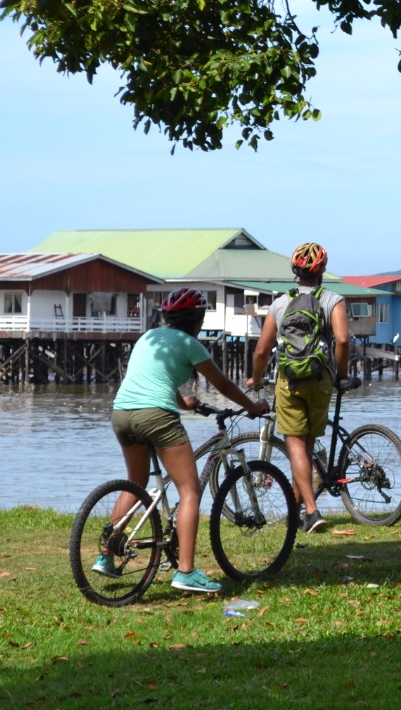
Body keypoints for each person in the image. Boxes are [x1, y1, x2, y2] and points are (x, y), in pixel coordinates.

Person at [102, 287, 269, 593]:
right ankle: (186, 572)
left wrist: (182, 403)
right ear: (198, 319)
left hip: (122, 412)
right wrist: (253, 406)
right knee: (190, 490)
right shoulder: (191, 344)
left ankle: (107, 556)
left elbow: (151, 379)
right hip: (155, 416)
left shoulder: (148, 337)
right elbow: (223, 384)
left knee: (135, 483)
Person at [247, 242, 350, 535]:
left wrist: (255, 379)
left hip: (288, 381)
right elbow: (342, 341)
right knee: (305, 446)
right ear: (322, 271)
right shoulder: (333, 300)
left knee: (296, 445)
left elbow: (261, 351)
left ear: (295, 271)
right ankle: (300, 508)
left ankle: (311, 510)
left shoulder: (279, 304)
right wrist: (341, 375)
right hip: (320, 380)